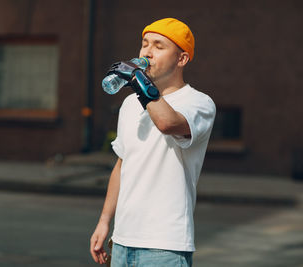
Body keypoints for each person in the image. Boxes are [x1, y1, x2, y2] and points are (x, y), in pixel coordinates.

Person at [90, 18, 216, 266]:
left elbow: (167, 123)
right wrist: (104, 221)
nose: (147, 52)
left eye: (159, 46)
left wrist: (140, 84)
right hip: (123, 241)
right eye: (145, 43)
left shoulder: (199, 103)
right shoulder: (129, 104)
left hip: (165, 246)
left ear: (181, 59)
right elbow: (122, 165)